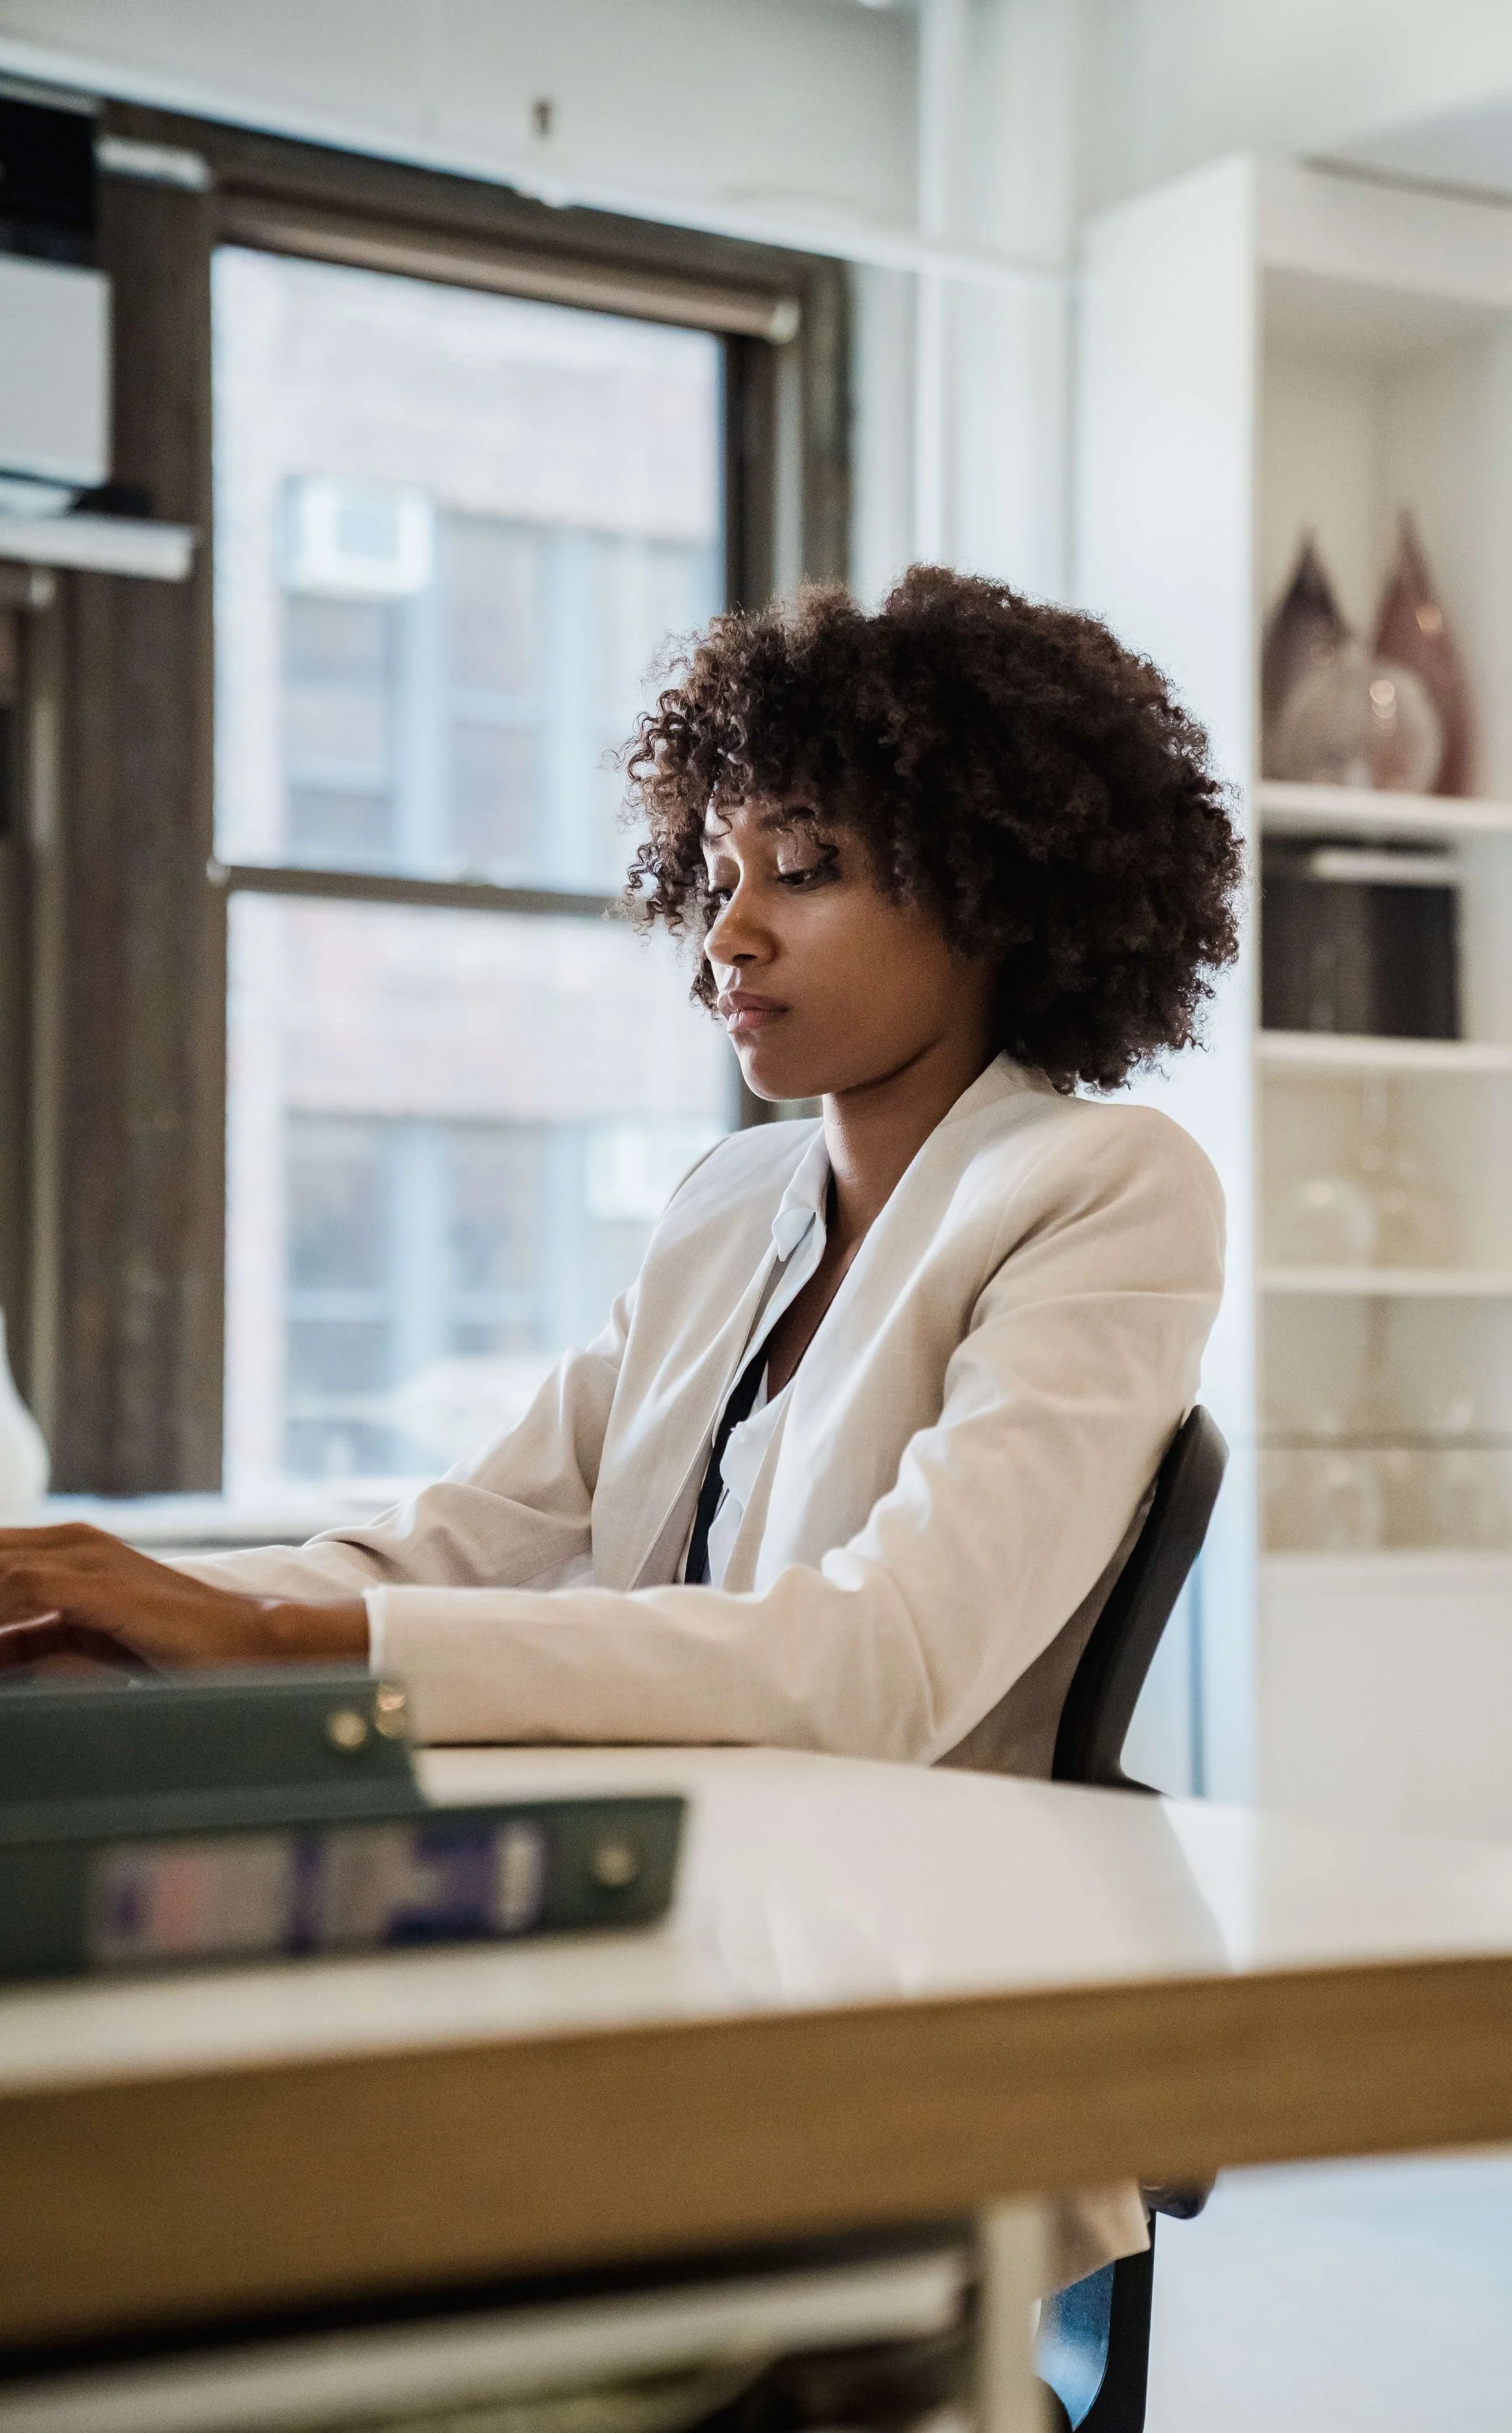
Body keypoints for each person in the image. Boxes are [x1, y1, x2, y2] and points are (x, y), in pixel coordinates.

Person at [0, 565, 1240, 1774]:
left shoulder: (1107, 1186)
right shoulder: (732, 1202)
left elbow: (888, 1656)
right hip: (688, 1869)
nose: (728, 935)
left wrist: (262, 1638)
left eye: (803, 870)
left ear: (995, 890)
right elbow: (455, 1549)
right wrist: (95, 1609)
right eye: (716, 877)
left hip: (918, 1912)